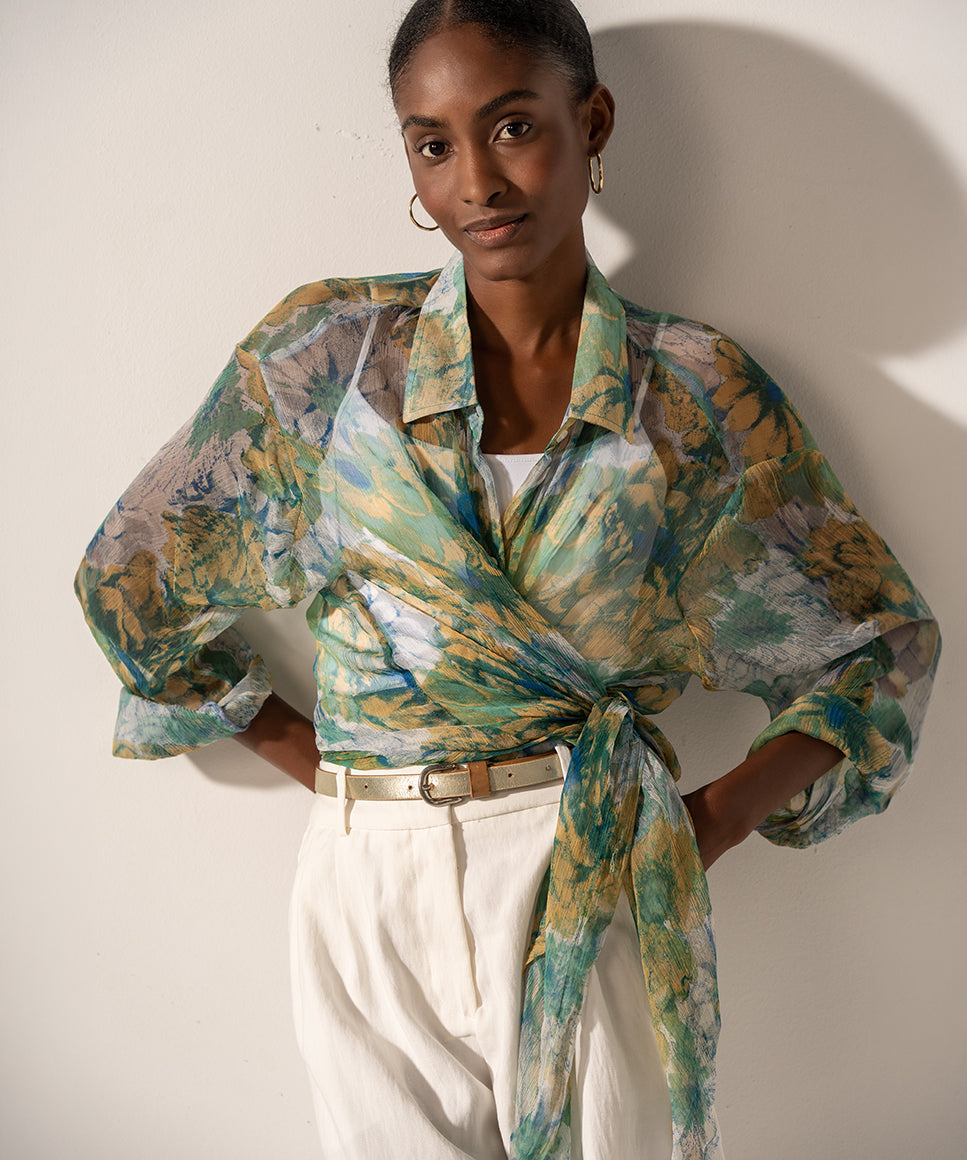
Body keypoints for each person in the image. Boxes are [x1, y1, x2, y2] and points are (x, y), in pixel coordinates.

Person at [74, 1, 940, 1158]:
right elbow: (132, 576)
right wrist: (320, 762)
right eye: (432, 144)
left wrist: (706, 823)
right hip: (366, 878)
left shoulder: (690, 391)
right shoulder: (327, 360)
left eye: (513, 126)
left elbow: (876, 643)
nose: (476, 181)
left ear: (594, 124)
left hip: (588, 854)